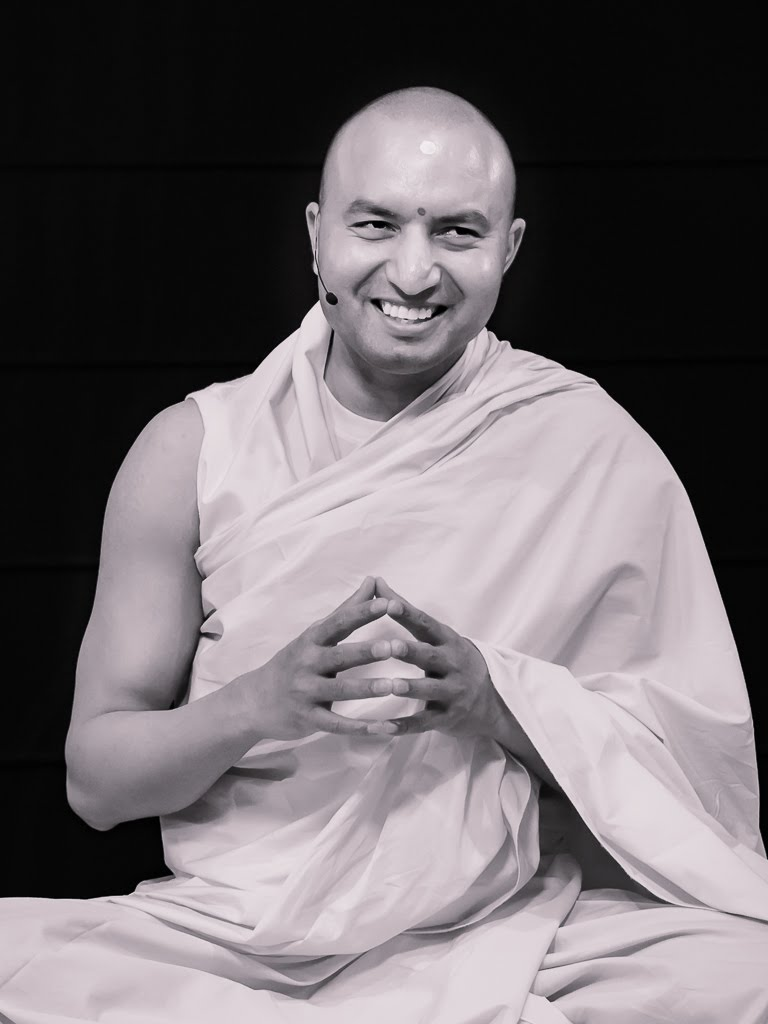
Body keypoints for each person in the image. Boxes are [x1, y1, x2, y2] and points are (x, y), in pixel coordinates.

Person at [1, 85, 767, 1024]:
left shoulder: (588, 444)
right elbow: (95, 783)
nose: (412, 272)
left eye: (457, 232)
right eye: (376, 224)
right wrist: (263, 700)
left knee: (744, 975)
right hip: (235, 939)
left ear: (509, 248)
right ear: (317, 233)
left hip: (506, 923)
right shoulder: (194, 451)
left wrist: (495, 697)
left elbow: (694, 768)